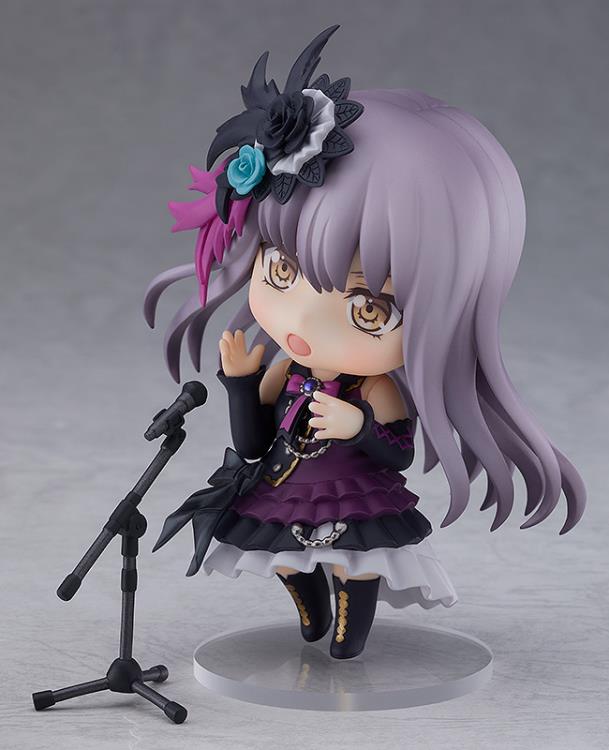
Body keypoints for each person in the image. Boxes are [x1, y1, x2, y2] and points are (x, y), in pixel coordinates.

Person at [146, 26, 585, 659]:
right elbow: (251, 443)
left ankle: (350, 628)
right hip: (286, 484)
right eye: (281, 269)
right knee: (286, 560)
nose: (305, 319)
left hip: (355, 494)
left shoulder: (375, 386)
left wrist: (357, 425)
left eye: (367, 308)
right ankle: (310, 607)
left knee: (356, 563)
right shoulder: (285, 372)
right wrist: (240, 384)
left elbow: (396, 454)